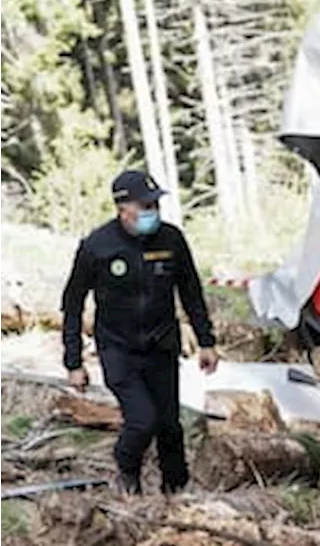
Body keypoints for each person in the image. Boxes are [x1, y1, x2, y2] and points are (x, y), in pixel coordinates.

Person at [61, 170, 219, 495]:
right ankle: (126, 471)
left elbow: (191, 291)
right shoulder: (98, 246)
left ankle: (176, 492)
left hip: (161, 345)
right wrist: (74, 361)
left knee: (169, 426)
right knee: (141, 420)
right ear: (123, 209)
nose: (152, 211)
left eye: (155, 204)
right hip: (119, 349)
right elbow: (72, 303)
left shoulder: (171, 240)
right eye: (145, 205)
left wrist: (206, 341)